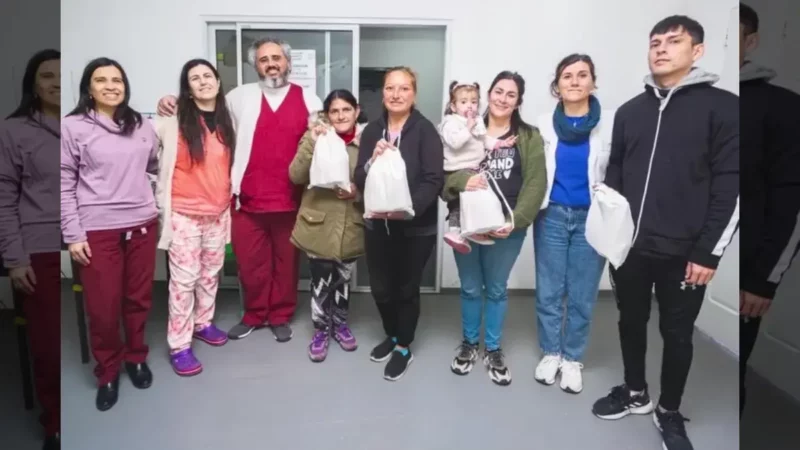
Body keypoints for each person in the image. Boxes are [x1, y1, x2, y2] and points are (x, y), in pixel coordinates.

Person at [591, 16, 739, 450]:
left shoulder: (724, 108)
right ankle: (635, 392)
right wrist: (611, 234)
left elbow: (731, 186)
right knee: (630, 322)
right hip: (630, 249)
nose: (661, 49)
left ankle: (668, 410)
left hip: (686, 253)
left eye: (673, 41)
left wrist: (709, 252)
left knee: (677, 334)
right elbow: (615, 175)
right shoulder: (630, 112)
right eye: (655, 42)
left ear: (697, 51)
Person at [157, 37, 322, 342]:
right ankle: (254, 314)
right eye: (263, 59)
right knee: (250, 263)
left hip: (291, 200)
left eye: (276, 58)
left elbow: (322, 142)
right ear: (254, 65)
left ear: (287, 62)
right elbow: (204, 113)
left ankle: (280, 315)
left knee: (286, 264)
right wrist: (172, 100)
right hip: (246, 200)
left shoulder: (310, 100)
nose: (271, 64)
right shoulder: (238, 97)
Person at [61, 57, 160, 411]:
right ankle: (108, 371)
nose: (110, 86)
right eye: (101, 80)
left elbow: (154, 165)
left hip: (142, 225)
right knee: (103, 308)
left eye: (117, 80)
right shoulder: (72, 126)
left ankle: (136, 357)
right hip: (97, 229)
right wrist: (73, 234)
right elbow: (63, 181)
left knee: (138, 299)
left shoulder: (141, 125)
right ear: (88, 88)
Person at [441, 71, 546, 386]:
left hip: (507, 228)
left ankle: (493, 349)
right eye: (498, 92)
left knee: (497, 289)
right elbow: (445, 176)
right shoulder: (466, 125)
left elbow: (536, 184)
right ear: (488, 94)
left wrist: (514, 221)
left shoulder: (529, 136)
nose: (502, 98)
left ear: (518, 101)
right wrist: (464, 180)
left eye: (510, 94)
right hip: (467, 224)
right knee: (471, 288)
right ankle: (470, 344)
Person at [354, 66, 444, 381]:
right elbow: (359, 178)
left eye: (404, 88)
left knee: (406, 288)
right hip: (378, 225)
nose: (396, 94)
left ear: (413, 94)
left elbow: (433, 179)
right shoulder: (371, 131)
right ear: (383, 93)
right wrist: (371, 160)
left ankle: (404, 346)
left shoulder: (426, 131)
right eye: (390, 88)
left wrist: (408, 209)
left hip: (415, 227)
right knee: (381, 288)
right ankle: (392, 334)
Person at [533, 54, 614, 394]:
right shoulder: (543, 124)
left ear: (593, 82)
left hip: (592, 217)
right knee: (549, 290)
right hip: (551, 214)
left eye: (582, 75)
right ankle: (551, 352)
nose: (575, 81)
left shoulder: (609, 123)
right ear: (557, 85)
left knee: (582, 293)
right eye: (567, 76)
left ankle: (572, 358)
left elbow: (620, 168)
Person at [154, 59, 236, 376]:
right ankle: (179, 345)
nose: (203, 81)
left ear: (217, 81)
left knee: (210, 274)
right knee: (183, 281)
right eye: (194, 78)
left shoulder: (229, 119)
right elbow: (144, 150)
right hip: (184, 214)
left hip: (218, 212)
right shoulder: (172, 120)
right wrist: (163, 102)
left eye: (207, 75)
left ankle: (203, 323)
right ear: (187, 89)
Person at [739, 2, 800, 417]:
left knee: (731, 377)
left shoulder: (783, 107)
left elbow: (791, 199)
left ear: (752, 41)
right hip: (692, 261)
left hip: (746, 273)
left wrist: (764, 280)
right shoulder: (701, 103)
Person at [0, 49, 61, 450]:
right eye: (46, 76)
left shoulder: (83, 123)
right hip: (39, 247)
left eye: (61, 74)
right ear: (33, 85)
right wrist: (15, 258)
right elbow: (4, 197)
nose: (55, 82)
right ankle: (55, 423)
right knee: (48, 345)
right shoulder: (14, 130)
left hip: (87, 239)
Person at [289, 89, 367, 362]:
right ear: (327, 114)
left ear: (357, 111)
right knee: (321, 282)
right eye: (334, 111)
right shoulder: (316, 137)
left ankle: (341, 325)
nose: (341, 116)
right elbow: (296, 175)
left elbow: (379, 185)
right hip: (318, 224)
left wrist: (357, 193)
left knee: (343, 281)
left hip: (350, 224)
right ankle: (321, 330)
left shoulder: (366, 142)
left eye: (346, 110)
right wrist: (311, 141)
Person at [438, 80, 515, 253]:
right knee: (463, 201)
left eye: (473, 102)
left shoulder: (476, 121)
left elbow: (483, 139)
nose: (469, 106)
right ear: (453, 106)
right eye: (463, 102)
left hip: (474, 167)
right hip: (456, 168)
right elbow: (455, 143)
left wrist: (500, 144)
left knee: (475, 199)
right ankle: (458, 231)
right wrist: (468, 128)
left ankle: (473, 230)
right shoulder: (450, 122)